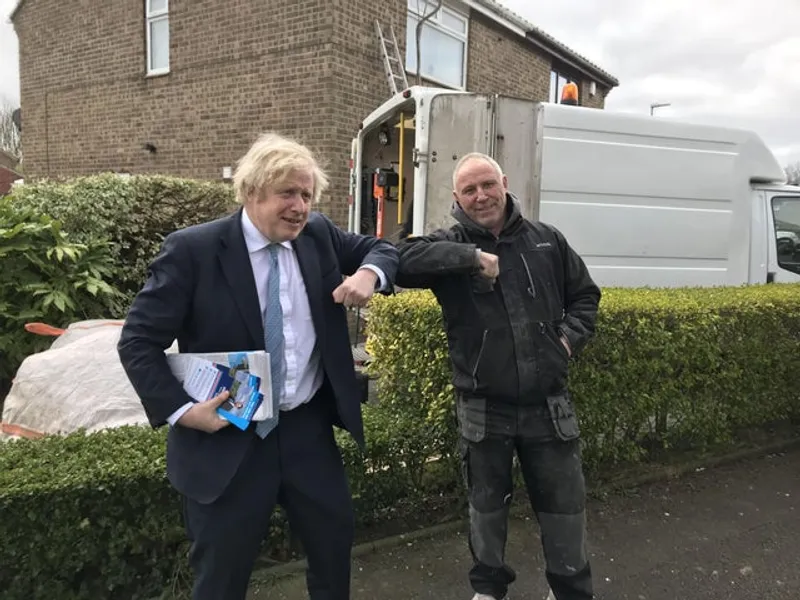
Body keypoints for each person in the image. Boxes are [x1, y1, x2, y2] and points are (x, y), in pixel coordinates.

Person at [117, 132, 399, 600]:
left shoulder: (319, 236)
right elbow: (138, 342)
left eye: (307, 194)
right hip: (229, 437)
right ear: (252, 191)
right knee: (222, 577)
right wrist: (184, 412)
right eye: (288, 192)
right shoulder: (193, 251)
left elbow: (384, 249)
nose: (300, 206)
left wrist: (369, 273)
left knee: (333, 553)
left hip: (307, 432)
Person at [395, 152, 601, 600]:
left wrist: (565, 342)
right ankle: (489, 590)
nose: (481, 195)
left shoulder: (547, 241)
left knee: (565, 509)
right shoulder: (447, 247)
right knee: (486, 509)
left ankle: (569, 589)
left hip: (550, 406)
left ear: (504, 182)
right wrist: (471, 257)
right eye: (469, 190)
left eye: (487, 184)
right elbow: (401, 258)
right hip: (483, 406)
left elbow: (585, 297)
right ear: (456, 198)